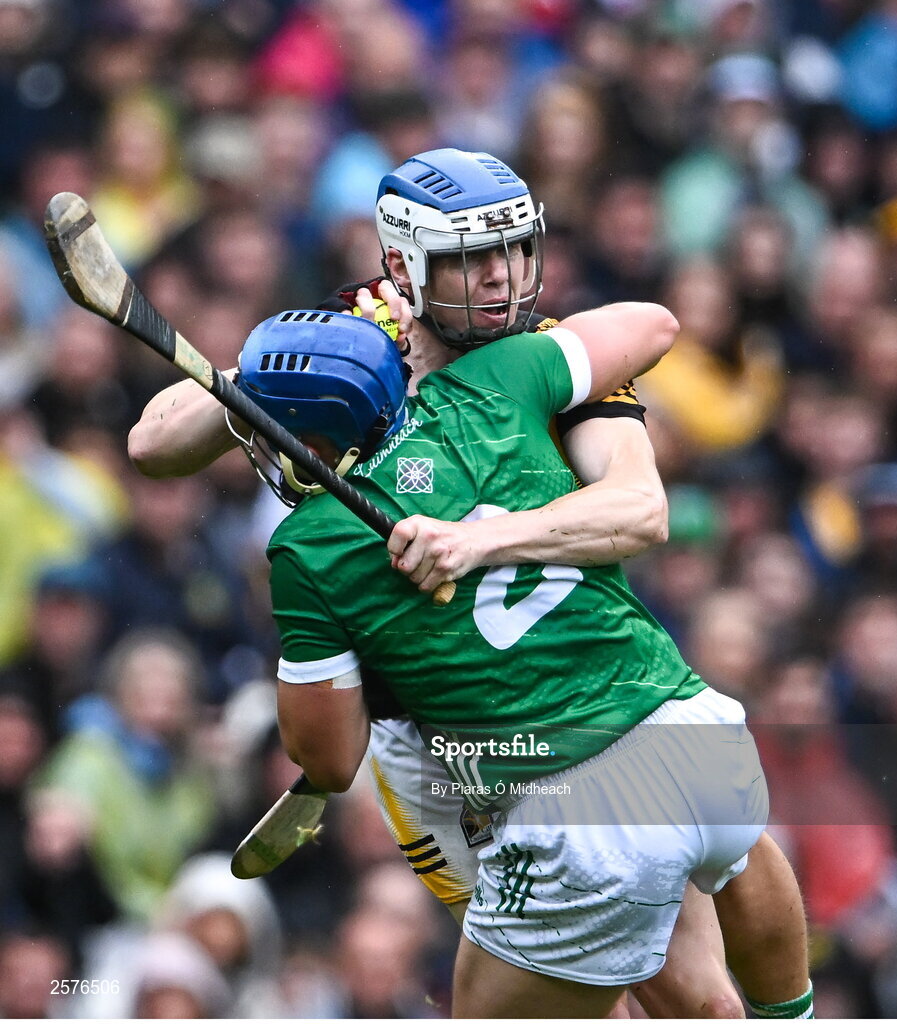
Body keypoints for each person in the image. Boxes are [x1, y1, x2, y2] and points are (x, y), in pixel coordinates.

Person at [128, 148, 812, 1018]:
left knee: (686, 993)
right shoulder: (356, 330)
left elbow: (639, 510)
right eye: (468, 259)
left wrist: (475, 544)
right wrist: (267, 385)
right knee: (617, 978)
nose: (501, 279)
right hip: (433, 749)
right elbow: (153, 448)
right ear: (402, 267)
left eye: (514, 251)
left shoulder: (549, 362)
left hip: (566, 703)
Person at [231, 303, 763, 1017]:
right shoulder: (496, 379)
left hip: (514, 775)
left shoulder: (308, 545)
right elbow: (656, 323)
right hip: (642, 714)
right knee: (696, 993)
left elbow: (327, 758)